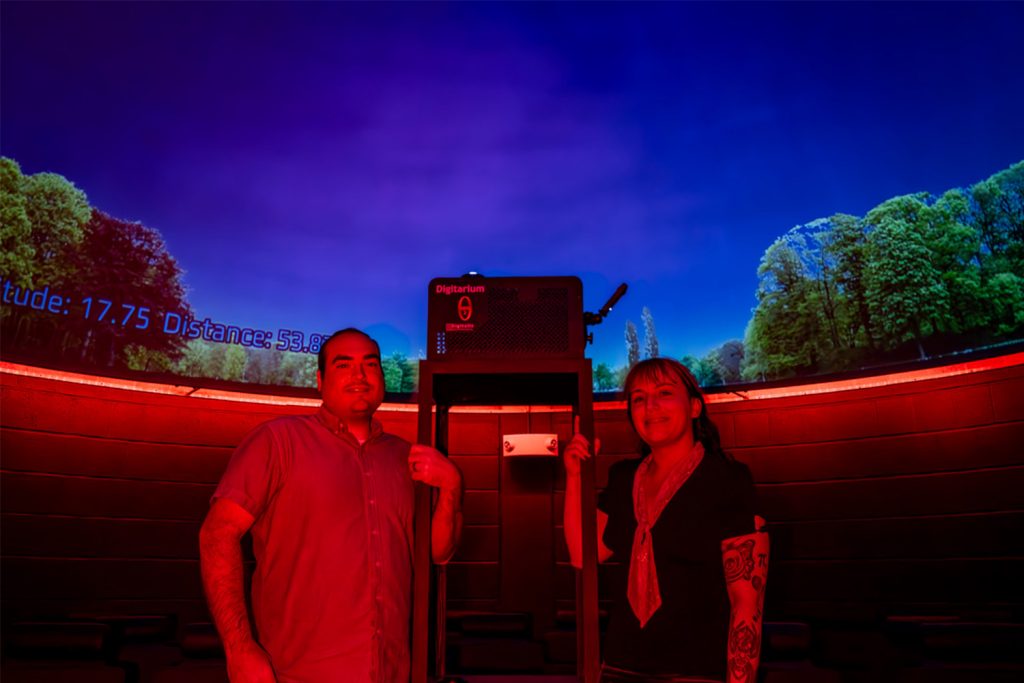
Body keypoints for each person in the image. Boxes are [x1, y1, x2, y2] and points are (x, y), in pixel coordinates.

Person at [199, 328, 463, 683]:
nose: (359, 375)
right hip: (296, 674)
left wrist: (451, 487)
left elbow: (438, 553)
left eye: (371, 365)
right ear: (320, 381)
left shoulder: (408, 458)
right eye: (344, 365)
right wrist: (239, 648)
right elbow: (217, 534)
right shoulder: (277, 442)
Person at [563, 357, 768, 683]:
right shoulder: (622, 478)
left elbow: (746, 601)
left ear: (695, 407)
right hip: (620, 666)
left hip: (697, 670)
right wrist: (574, 477)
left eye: (664, 393)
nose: (650, 406)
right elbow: (582, 555)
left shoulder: (727, 479)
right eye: (639, 398)